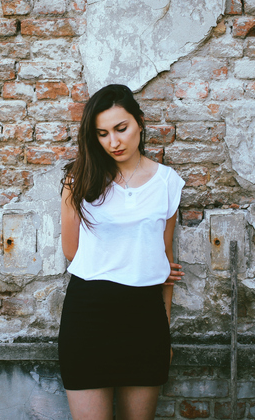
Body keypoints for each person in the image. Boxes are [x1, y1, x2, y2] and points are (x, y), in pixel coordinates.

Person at [59, 84, 185, 420]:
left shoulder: (168, 183)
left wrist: (165, 332)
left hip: (145, 319)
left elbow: (165, 258)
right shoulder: (80, 179)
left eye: (121, 128)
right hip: (89, 315)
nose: (113, 142)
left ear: (140, 123)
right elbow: (72, 250)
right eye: (102, 133)